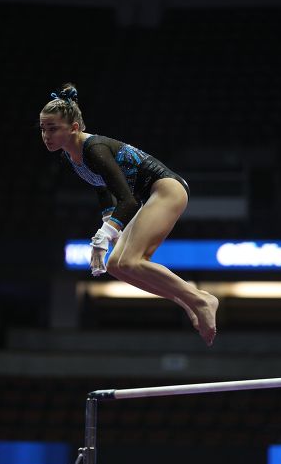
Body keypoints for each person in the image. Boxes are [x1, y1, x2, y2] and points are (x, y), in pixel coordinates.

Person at [40, 83, 218, 346]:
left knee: (133, 261)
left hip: (166, 189)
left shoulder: (94, 149)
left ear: (75, 128)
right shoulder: (71, 156)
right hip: (149, 197)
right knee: (117, 266)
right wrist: (108, 224)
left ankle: (201, 299)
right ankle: (186, 300)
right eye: (43, 129)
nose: (46, 135)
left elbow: (128, 199)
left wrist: (105, 234)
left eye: (53, 128)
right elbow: (102, 187)